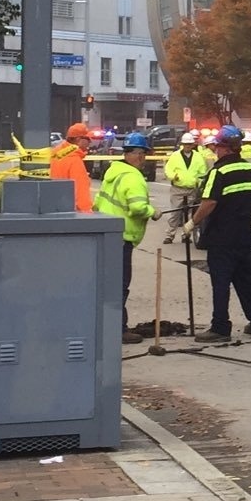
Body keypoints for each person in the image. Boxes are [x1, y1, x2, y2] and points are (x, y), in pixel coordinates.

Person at [182, 124, 251, 342]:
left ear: (225, 148)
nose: (215, 150)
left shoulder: (218, 171)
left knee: (220, 282)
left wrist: (191, 223)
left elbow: (209, 202)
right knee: (246, 280)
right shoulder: (249, 170)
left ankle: (220, 327)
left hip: (222, 236)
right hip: (243, 235)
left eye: (217, 147)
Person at [94, 130, 161, 343]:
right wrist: (153, 211)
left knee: (106, 283)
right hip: (122, 238)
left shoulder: (114, 172)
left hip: (106, 233)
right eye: (143, 155)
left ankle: (103, 325)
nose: (143, 160)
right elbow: (138, 208)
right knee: (120, 285)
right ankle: (119, 329)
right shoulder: (133, 178)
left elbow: (97, 203)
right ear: (138, 154)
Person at [162, 131, 206, 243]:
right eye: (185, 144)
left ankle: (186, 235)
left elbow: (202, 172)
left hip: (192, 189)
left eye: (189, 144)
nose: (187, 146)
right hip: (178, 188)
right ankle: (170, 235)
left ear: (192, 145)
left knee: (190, 213)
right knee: (175, 213)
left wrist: (198, 182)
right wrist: (173, 177)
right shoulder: (175, 156)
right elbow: (168, 169)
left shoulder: (197, 157)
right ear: (182, 144)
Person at [49, 122, 93, 211]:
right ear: (78, 139)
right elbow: (81, 194)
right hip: (70, 211)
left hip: (53, 207)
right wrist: (87, 216)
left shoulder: (56, 153)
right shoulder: (74, 160)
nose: (90, 142)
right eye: (88, 139)